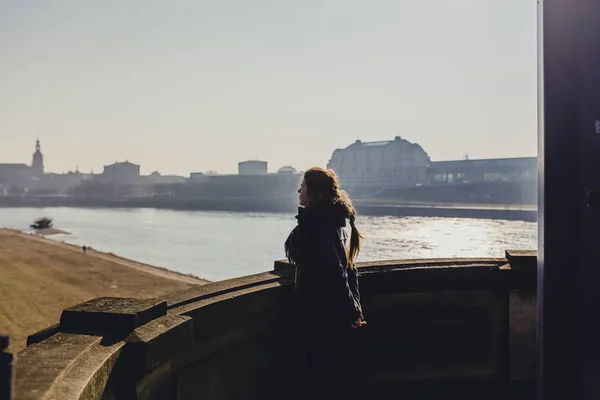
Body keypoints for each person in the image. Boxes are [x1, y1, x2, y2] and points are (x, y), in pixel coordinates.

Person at [284, 167, 366, 399]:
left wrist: (352, 310)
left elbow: (335, 271)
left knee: (318, 378)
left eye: (303, 186)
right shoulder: (335, 222)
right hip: (333, 315)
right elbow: (350, 269)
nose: (299, 191)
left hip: (320, 315)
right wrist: (355, 308)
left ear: (314, 193)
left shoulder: (316, 225)